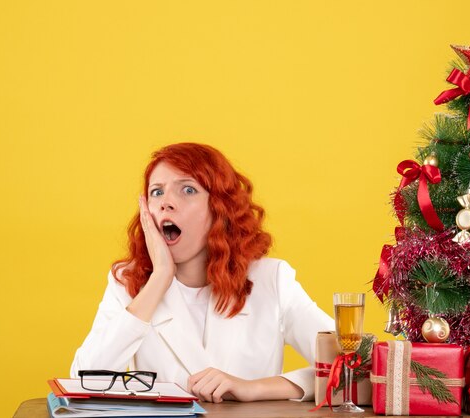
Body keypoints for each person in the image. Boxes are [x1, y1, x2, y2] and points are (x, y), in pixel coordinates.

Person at [70, 142, 334, 403]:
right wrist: (160, 277)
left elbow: (352, 366)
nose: (167, 203)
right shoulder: (128, 281)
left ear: (220, 208)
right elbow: (83, 381)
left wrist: (255, 389)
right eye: (157, 192)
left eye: (188, 189)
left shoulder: (271, 279)